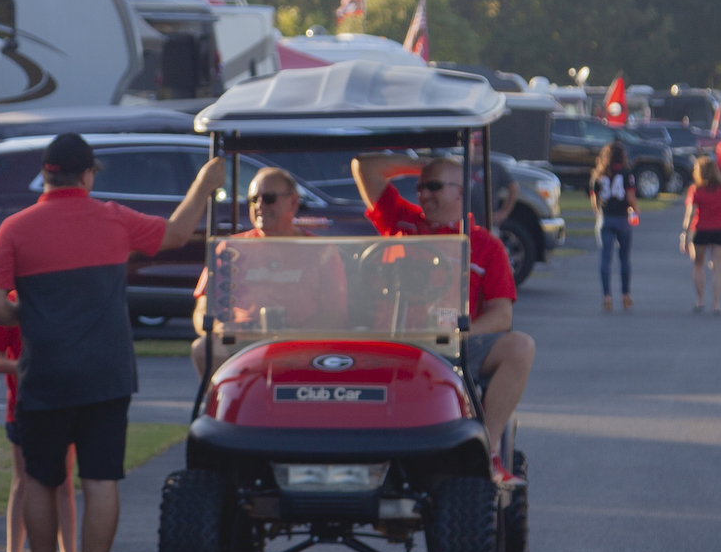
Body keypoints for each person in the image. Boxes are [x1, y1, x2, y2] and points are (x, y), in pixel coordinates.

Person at [0, 133, 221, 552]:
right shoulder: (113, 218)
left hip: (44, 374)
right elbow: (176, 233)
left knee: (42, 481)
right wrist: (203, 183)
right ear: (87, 174)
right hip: (106, 375)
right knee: (101, 480)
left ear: (45, 174)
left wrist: (30, 315)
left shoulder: (16, 228)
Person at [350, 154, 534, 478]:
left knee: (520, 346)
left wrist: (459, 334)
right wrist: (426, 162)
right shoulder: (403, 222)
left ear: (460, 192)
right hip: (392, 342)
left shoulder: (486, 245)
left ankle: (486, 452)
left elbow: (501, 315)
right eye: (420, 187)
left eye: (433, 187)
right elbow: (364, 168)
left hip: (451, 347)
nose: (422, 195)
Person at [191, 165, 349, 378]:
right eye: (253, 199)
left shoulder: (320, 249)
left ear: (293, 202)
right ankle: (222, 408)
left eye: (269, 198)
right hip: (241, 343)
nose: (259, 205)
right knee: (204, 348)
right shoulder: (229, 248)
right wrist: (219, 330)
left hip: (300, 342)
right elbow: (203, 307)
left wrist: (295, 336)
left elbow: (335, 313)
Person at [0, 319, 83, 552]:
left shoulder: (65, 299)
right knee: (23, 482)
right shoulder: (12, 303)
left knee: (63, 483)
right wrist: (25, 366)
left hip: (63, 406)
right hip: (23, 407)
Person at [683, 154, 721, 313]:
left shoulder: (695, 190)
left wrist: (685, 235)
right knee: (717, 268)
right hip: (720, 229)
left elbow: (690, 214)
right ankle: (716, 304)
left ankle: (700, 301)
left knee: (698, 265)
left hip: (701, 230)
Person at [591, 141, 636, 312]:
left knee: (605, 258)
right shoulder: (626, 173)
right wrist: (636, 210)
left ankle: (606, 296)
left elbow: (594, 199)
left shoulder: (598, 174)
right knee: (624, 258)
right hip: (622, 218)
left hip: (605, 218)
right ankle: (625, 294)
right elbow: (630, 196)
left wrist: (599, 212)